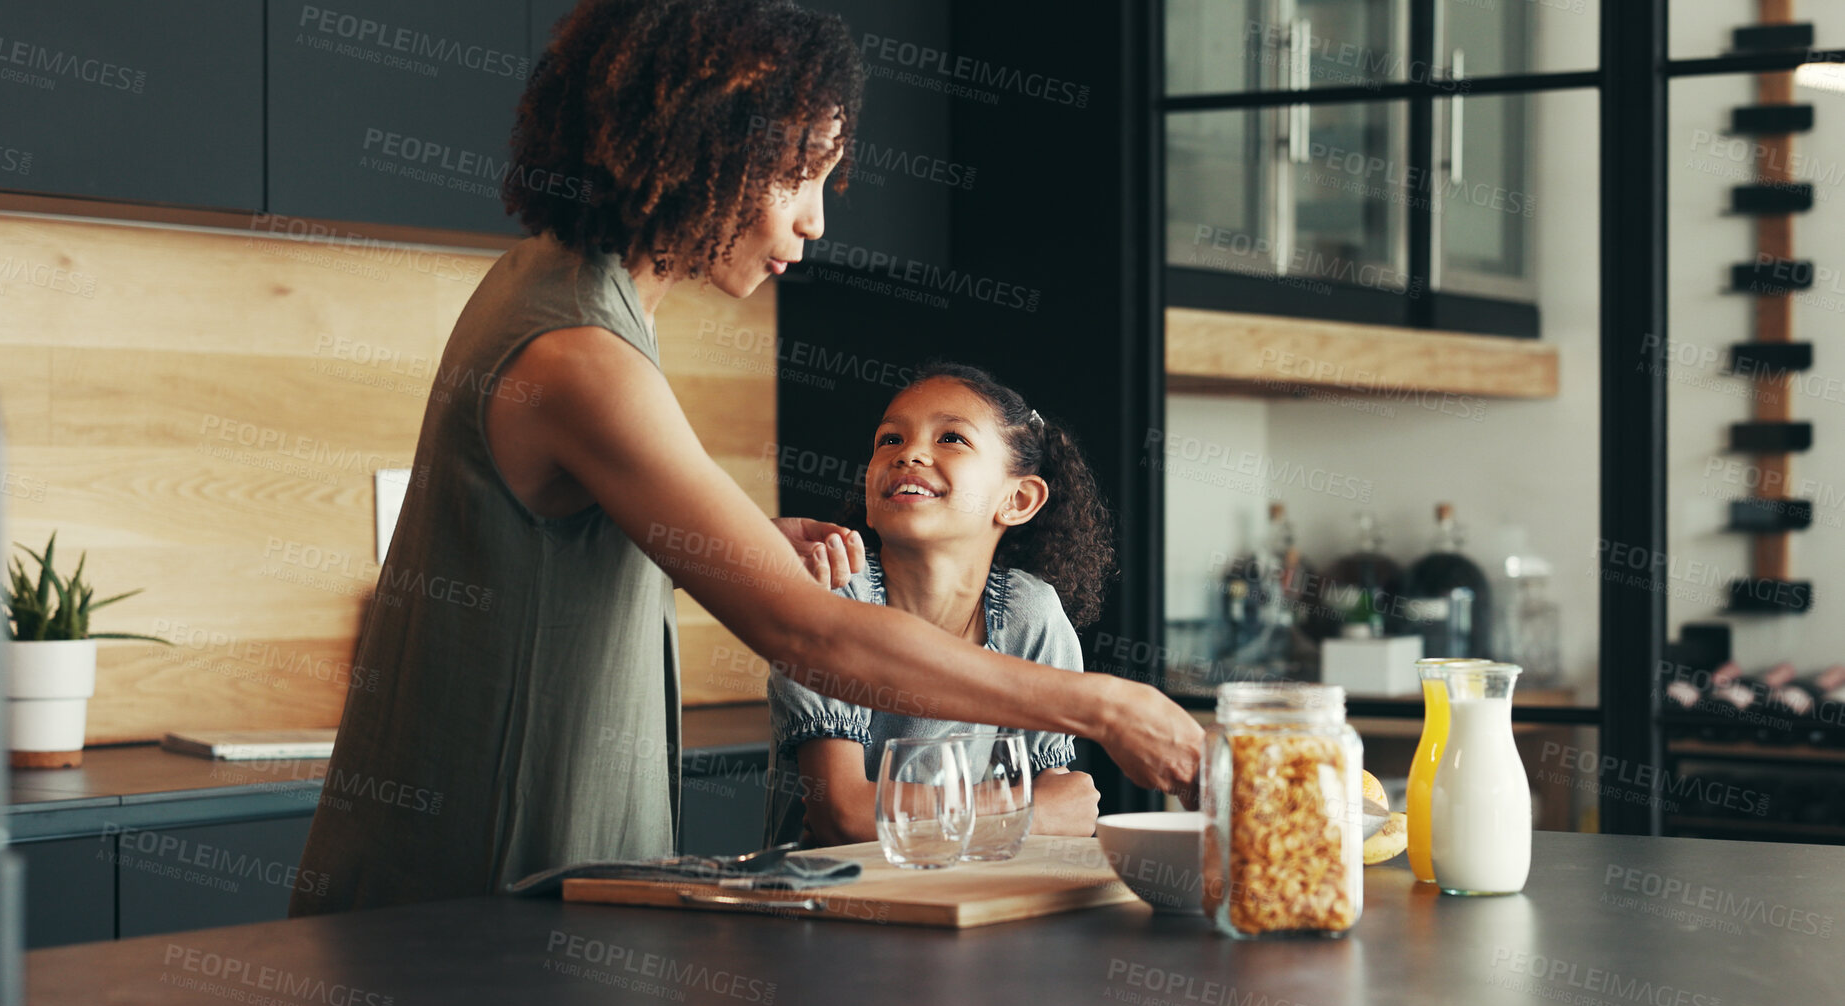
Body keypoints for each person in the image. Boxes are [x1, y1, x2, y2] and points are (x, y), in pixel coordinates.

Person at [291, 0, 1200, 917]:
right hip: (472, 886)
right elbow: (814, 635)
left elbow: (552, 552)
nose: (812, 221)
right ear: (704, 143)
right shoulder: (580, 351)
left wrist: (738, 542)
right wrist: (1105, 705)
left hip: (515, 878)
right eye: (799, 176)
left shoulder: (572, 292)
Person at [767, 364, 1109, 846]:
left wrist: (1041, 811)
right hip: (831, 906)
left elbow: (1066, 811)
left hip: (977, 905)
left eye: (952, 438)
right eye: (889, 440)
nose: (909, 453)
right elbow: (845, 817)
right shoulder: (829, 596)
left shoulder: (1031, 616)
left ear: (1018, 499)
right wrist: (1025, 811)